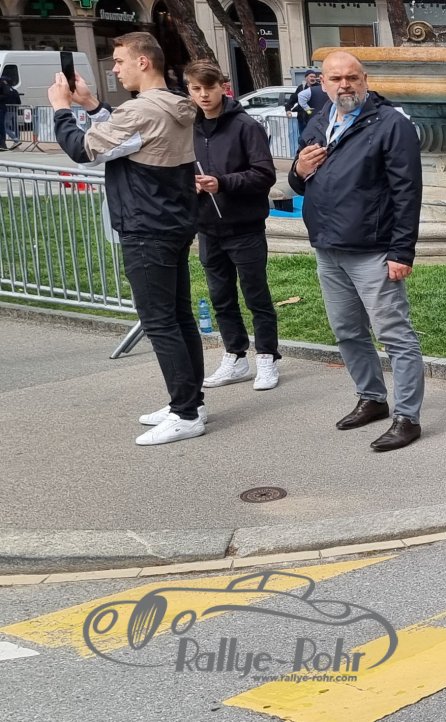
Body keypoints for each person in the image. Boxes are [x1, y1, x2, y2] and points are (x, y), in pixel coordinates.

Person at [51, 32, 204, 446]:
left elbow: (84, 150)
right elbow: (127, 139)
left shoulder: (140, 111)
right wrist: (91, 105)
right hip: (171, 221)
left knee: (160, 321)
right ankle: (189, 402)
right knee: (178, 316)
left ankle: (186, 413)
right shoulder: (173, 103)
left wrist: (62, 109)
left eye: (119, 61)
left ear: (143, 62)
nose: (114, 69)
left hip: (145, 227)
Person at [289, 51, 425, 452]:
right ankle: (372, 399)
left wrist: (401, 251)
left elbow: (407, 192)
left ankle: (407, 417)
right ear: (323, 82)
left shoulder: (391, 125)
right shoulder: (319, 120)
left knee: (394, 335)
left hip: (373, 249)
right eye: (336, 79)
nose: (344, 85)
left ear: (365, 80)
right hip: (328, 246)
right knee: (347, 331)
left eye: (352, 77)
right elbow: (300, 182)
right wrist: (298, 170)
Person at [185, 61, 281, 393]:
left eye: (209, 88)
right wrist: (190, 184)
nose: (203, 95)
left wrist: (222, 182)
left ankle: (267, 357)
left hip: (244, 227)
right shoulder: (189, 128)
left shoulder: (245, 126)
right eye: (196, 89)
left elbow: (264, 174)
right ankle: (235, 355)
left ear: (223, 88)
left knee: (256, 295)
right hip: (208, 227)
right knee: (220, 297)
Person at [0, 78, 20, 149]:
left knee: (5, 127)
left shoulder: (6, 90)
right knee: (15, 127)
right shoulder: (15, 91)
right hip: (14, 110)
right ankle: (17, 140)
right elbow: (19, 101)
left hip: (7, 111)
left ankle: (16, 140)